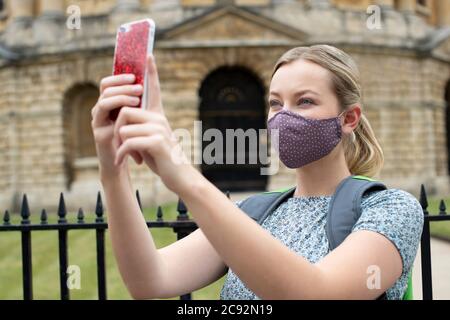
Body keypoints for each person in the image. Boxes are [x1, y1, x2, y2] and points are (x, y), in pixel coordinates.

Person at [90, 45, 424, 300]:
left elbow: (317, 293)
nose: (284, 116)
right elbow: (149, 279)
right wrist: (112, 169)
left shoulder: (391, 209)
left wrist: (185, 177)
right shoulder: (253, 214)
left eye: (305, 101)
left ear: (349, 119)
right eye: (276, 103)